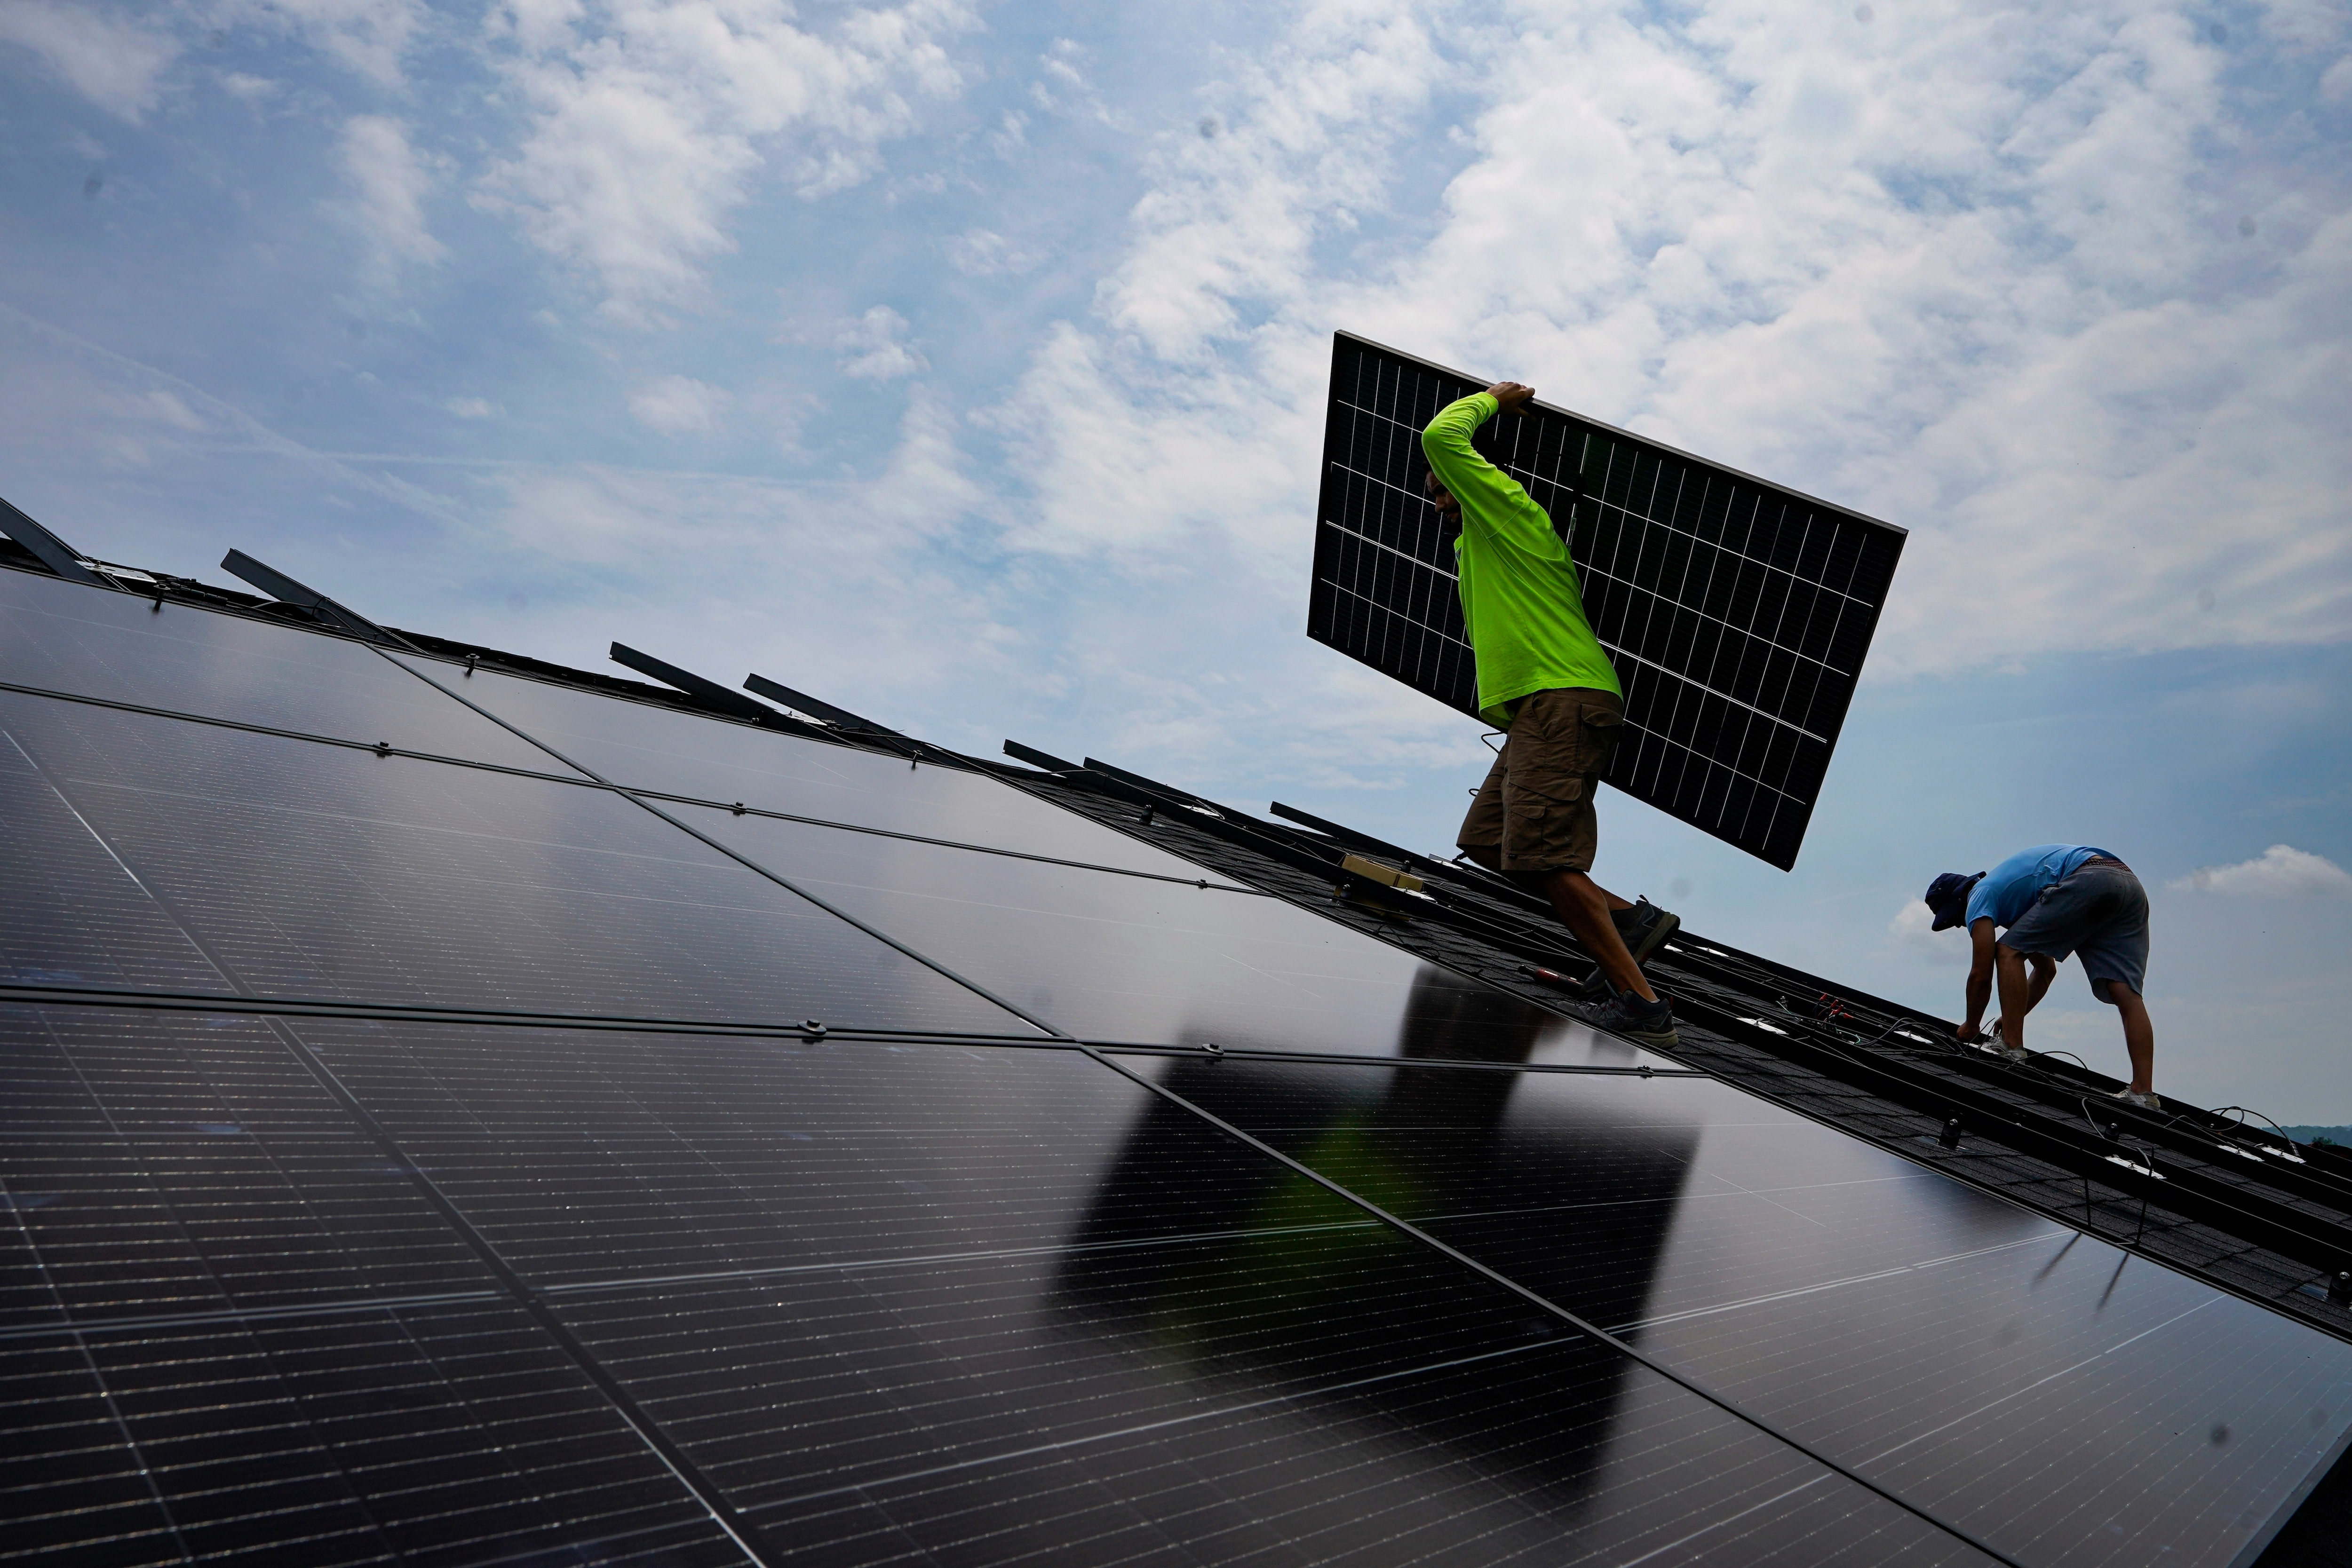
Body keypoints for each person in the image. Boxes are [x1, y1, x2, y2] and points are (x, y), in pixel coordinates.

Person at [1423, 380, 1680, 1047]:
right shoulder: (1479, 544)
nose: (1437, 494)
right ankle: (1630, 921)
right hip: (1542, 709)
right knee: (1487, 838)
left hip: (1563, 699)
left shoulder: (1509, 513)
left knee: (1542, 853)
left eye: (1444, 486)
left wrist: (1489, 400)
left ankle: (1641, 1002)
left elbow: (1441, 439)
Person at [1922, 845, 2157, 1108]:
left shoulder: (1980, 894)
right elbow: (2046, 971)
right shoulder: (2017, 900)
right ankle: (2143, 1093)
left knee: (2007, 951)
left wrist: (1971, 1025)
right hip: (2128, 883)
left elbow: (1981, 973)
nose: (1962, 925)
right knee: (2125, 991)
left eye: (1956, 920)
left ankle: (2011, 1047)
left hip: (2089, 876)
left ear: (1958, 901)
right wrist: (2011, 1016)